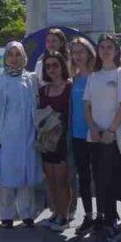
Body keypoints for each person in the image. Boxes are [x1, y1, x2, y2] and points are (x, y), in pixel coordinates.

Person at [0, 41, 43, 228]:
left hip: (26, 133)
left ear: (24, 57)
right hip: (5, 135)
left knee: (25, 175)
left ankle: (27, 213)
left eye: (18, 54)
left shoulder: (31, 79)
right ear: (5, 58)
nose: (14, 58)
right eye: (10, 54)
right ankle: (6, 215)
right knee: (5, 176)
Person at [84, 34, 121, 242]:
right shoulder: (94, 76)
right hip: (95, 136)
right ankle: (103, 218)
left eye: (109, 47)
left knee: (111, 179)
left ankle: (112, 222)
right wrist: (93, 128)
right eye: (102, 47)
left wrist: (111, 130)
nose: (105, 50)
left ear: (116, 50)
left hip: (114, 136)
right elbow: (86, 105)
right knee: (99, 180)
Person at [37, 52, 73, 230]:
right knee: (50, 179)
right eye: (48, 66)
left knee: (61, 180)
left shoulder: (70, 87)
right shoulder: (43, 90)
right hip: (46, 140)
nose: (51, 69)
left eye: (55, 65)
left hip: (63, 140)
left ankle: (64, 216)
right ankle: (56, 213)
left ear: (62, 66)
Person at [67, 37, 97, 234]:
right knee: (84, 177)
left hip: (95, 134)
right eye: (74, 52)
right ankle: (88, 215)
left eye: (81, 51)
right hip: (77, 135)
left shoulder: (96, 76)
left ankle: (103, 214)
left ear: (89, 53)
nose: (78, 56)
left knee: (100, 176)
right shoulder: (74, 78)